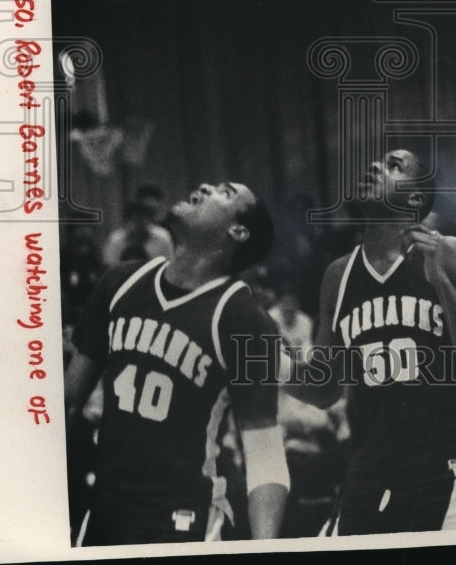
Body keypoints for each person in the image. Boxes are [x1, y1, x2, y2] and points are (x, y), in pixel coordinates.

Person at [283, 148, 456, 535]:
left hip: (443, 474)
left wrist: (442, 285)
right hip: (366, 473)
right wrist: (272, 365)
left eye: (393, 166)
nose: (374, 166)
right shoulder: (338, 275)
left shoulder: (449, 253)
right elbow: (324, 388)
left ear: (415, 198)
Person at [65, 180, 289, 546]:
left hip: (182, 522)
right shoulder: (119, 282)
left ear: (238, 231)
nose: (203, 186)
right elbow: (69, 397)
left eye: (225, 192)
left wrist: (267, 546)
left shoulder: (247, 320)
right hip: (105, 514)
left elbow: (265, 454)